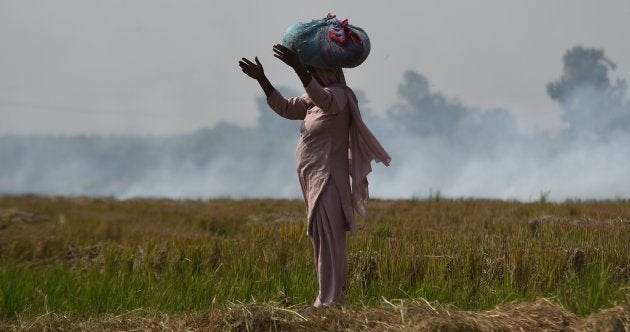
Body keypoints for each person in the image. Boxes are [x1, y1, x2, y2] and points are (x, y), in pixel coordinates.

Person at [239, 44, 390, 308]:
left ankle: (331, 302)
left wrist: (298, 67)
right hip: (312, 181)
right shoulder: (311, 102)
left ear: (327, 71)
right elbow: (285, 108)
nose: (310, 73)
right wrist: (262, 79)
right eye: (308, 70)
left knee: (331, 241)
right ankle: (326, 298)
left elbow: (323, 98)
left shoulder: (339, 96)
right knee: (320, 240)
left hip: (329, 180)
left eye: (313, 69)